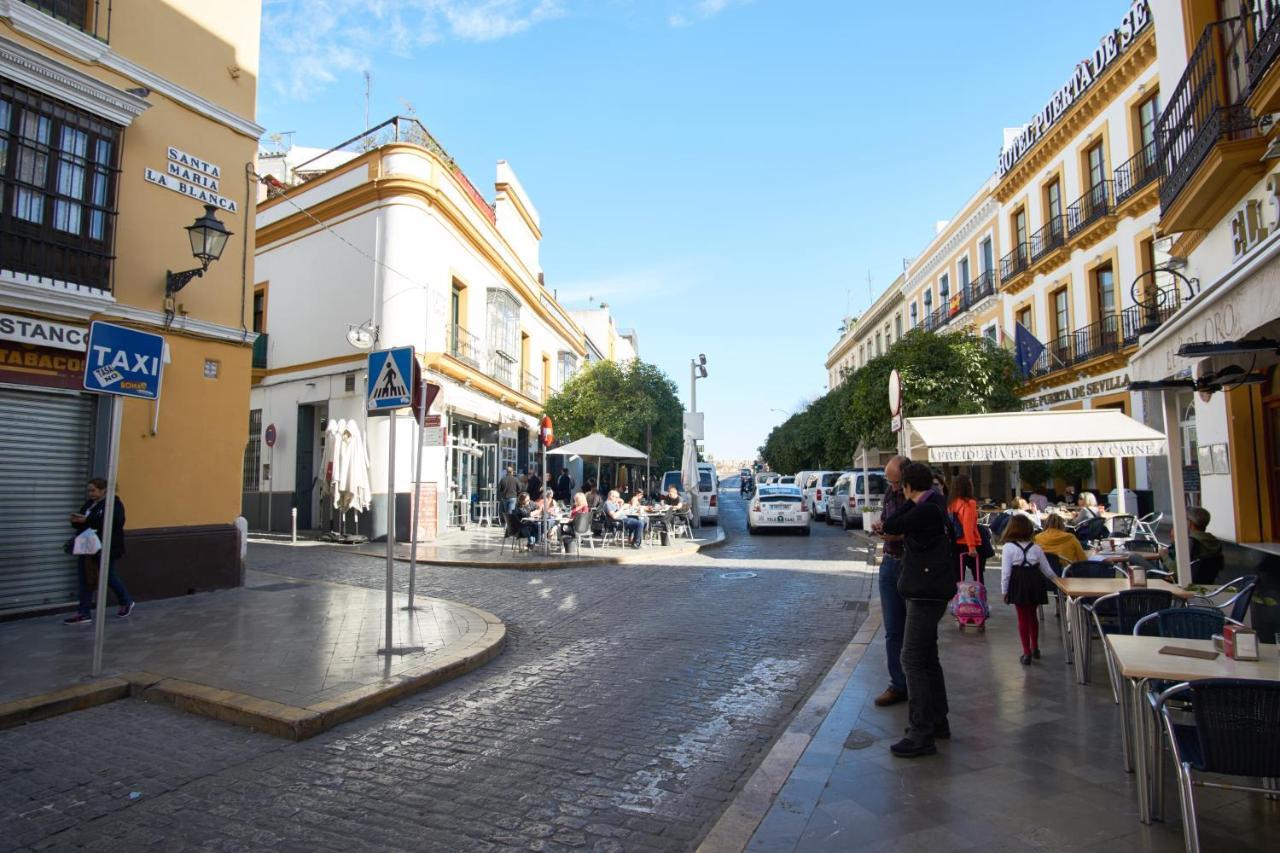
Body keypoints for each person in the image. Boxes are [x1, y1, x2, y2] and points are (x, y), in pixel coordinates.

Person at [880, 461, 951, 757]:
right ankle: (937, 721)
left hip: (925, 591)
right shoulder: (935, 502)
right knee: (928, 657)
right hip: (932, 589)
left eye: (901, 486)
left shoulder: (925, 507)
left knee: (911, 658)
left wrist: (908, 502)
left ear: (908, 486)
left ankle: (920, 733)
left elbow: (892, 524)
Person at [870, 455, 911, 708]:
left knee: (914, 632)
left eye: (894, 481)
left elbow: (917, 530)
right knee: (893, 630)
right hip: (889, 562)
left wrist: (895, 534)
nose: (891, 486)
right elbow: (889, 521)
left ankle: (915, 684)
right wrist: (882, 528)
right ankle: (898, 684)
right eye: (889, 481)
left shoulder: (917, 499)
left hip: (909, 564)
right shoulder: (889, 494)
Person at [65, 478, 134, 624]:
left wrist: (87, 521)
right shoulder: (90, 504)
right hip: (87, 546)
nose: (90, 493)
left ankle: (126, 600)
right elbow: (84, 520)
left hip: (105, 547)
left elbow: (114, 523)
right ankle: (84, 613)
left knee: (107, 576)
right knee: (85, 578)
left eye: (93, 490)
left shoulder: (114, 505)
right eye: (89, 490)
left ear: (103, 490)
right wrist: (75, 521)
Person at [999, 514, 1058, 666]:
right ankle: (1035, 648)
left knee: (1022, 617)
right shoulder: (1036, 548)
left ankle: (1026, 653)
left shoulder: (1008, 548)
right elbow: (1047, 570)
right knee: (1033, 615)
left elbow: (1006, 572)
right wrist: (1059, 581)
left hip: (1019, 582)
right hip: (1035, 581)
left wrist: (1004, 591)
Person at [1161, 505, 1223, 584]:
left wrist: (1164, 555)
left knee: (1140, 560)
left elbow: (1175, 570)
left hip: (1184, 583)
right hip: (1207, 583)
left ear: (1190, 523)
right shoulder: (1214, 541)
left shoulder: (1189, 542)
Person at [949, 474, 981, 582]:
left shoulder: (952, 504)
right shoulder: (969, 503)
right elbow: (968, 526)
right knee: (977, 576)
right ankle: (978, 598)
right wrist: (971, 546)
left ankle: (958, 598)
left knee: (958, 577)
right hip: (968, 543)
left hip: (954, 543)